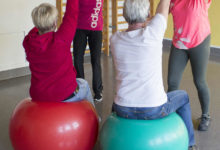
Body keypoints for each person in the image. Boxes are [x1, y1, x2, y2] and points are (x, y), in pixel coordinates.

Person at [110, 0, 198, 149]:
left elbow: (154, 15)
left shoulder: (115, 39)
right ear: (148, 14)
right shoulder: (154, 32)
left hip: (122, 108)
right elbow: (163, 5)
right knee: (183, 96)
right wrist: (152, 18)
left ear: (124, 15)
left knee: (117, 100)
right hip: (153, 108)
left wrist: (149, 18)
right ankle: (190, 144)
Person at [23, 0, 94, 107]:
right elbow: (72, 14)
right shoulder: (60, 40)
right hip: (65, 94)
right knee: (84, 84)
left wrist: (40, 22)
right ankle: (94, 118)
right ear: (55, 23)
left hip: (38, 96)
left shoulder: (28, 42)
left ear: (36, 24)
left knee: (79, 81)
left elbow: (35, 31)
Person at [168, 0, 211, 131]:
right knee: (172, 82)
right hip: (179, 43)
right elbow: (161, 15)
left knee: (199, 81)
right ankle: (171, 115)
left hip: (199, 41)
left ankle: (206, 115)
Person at [73, 0, 104, 102]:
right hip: (79, 27)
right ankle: (81, 89)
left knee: (95, 61)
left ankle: (98, 91)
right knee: (77, 59)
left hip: (96, 28)